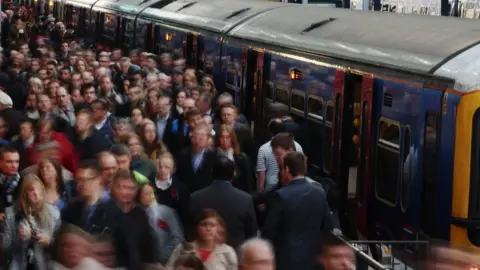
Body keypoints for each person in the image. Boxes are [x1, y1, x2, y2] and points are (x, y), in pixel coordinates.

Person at [262, 152, 334, 270]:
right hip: (313, 259)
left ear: (287, 169)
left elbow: (269, 230)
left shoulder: (281, 196)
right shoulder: (319, 193)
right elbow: (328, 225)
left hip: (286, 260)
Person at [190, 156, 257, 248]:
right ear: (233, 175)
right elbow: (252, 232)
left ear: (212, 172)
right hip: (236, 252)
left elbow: (190, 229)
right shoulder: (245, 199)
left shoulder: (195, 198)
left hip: (204, 251)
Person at [2, 174, 61, 270]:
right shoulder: (11, 213)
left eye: (39, 189)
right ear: (24, 194)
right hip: (20, 263)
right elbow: (5, 247)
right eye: (31, 190)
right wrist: (19, 238)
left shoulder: (54, 213)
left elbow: (61, 244)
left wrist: (49, 242)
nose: (36, 193)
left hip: (44, 263)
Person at [167, 209, 237, 270]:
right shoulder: (183, 249)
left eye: (212, 225)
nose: (208, 229)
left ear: (219, 228)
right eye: (204, 224)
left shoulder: (227, 252)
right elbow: (169, 268)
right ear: (197, 227)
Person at [137, 183, 184, 265]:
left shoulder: (167, 212)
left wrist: (161, 256)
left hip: (167, 261)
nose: (150, 196)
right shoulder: (136, 215)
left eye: (151, 193)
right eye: (146, 194)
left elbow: (178, 237)